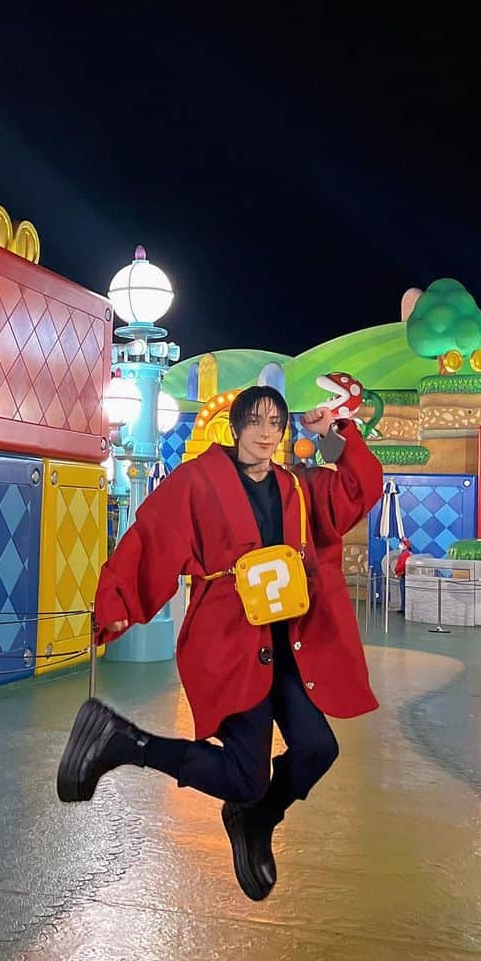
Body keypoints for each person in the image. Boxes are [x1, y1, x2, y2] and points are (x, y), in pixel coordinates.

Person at [56, 384, 384, 901]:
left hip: (288, 646)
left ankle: (255, 820)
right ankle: (121, 742)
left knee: (318, 748)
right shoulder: (200, 480)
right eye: (254, 421)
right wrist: (117, 602)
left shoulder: (296, 485)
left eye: (275, 423)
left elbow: (357, 492)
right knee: (244, 775)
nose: (265, 432)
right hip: (232, 643)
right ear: (235, 427)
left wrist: (336, 436)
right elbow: (152, 534)